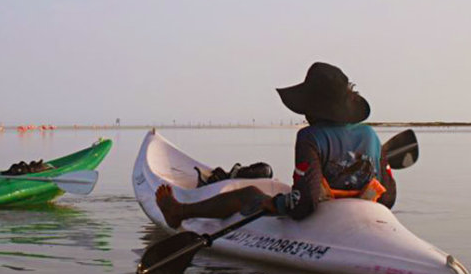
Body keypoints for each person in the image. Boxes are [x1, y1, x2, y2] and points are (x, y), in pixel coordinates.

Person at [156, 62, 396, 227]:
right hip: (359, 215)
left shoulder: (310, 137)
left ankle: (179, 212)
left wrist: (278, 203)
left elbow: (306, 203)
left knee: (249, 194)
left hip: (324, 215)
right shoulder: (371, 136)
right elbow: (388, 197)